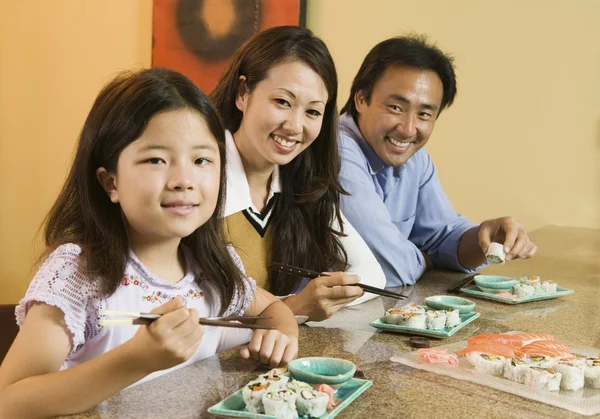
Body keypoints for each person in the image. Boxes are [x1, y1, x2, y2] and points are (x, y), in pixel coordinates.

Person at [0, 68, 298, 418]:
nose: (184, 179)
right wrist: (136, 360)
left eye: (201, 160)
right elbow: (9, 402)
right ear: (110, 182)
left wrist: (282, 334)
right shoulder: (79, 274)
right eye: (156, 159)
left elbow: (272, 309)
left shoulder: (211, 266)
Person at [210, 26, 386, 322]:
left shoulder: (302, 184)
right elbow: (206, 303)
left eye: (313, 112)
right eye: (282, 102)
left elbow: (371, 274)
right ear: (243, 93)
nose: (295, 126)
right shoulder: (197, 176)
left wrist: (318, 300)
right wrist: (293, 308)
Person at [338, 35, 538, 287]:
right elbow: (387, 267)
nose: (408, 129)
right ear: (361, 99)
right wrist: (425, 260)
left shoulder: (411, 155)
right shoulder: (335, 151)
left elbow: (441, 236)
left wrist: (485, 237)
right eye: (396, 108)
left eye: (424, 114)